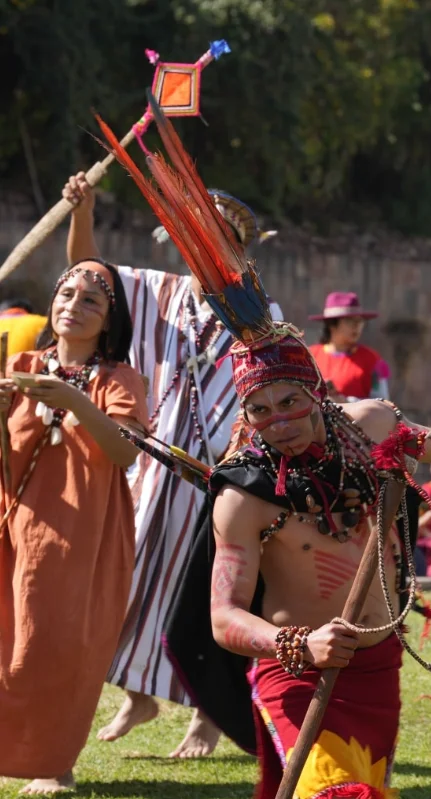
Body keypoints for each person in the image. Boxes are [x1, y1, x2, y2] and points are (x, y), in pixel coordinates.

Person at [96, 111, 431, 798]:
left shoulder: (369, 429)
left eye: (288, 402)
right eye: (260, 411)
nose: (277, 421)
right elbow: (223, 617)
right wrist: (297, 645)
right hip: (296, 673)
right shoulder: (244, 492)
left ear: (314, 390)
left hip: (374, 669)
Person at [61, 171, 283, 759]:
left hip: (220, 471)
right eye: (194, 234)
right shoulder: (152, 289)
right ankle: (139, 692)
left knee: (202, 590)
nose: (204, 245)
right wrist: (81, 210)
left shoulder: (256, 308)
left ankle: (207, 717)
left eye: (219, 236)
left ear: (237, 248)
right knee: (129, 576)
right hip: (154, 458)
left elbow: (274, 381)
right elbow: (86, 270)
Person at [0, 261, 149, 794]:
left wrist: (75, 403)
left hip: (80, 532)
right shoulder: (17, 363)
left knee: (53, 644)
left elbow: (125, 451)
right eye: (67, 293)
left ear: (109, 321)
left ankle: (53, 760)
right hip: (14, 521)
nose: (74, 305)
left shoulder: (119, 379)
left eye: (92, 300)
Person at [308, 291, 390, 401]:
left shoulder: (372, 359)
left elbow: (383, 404)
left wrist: (346, 401)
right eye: (349, 321)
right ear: (332, 325)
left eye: (359, 321)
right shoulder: (309, 357)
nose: (356, 326)